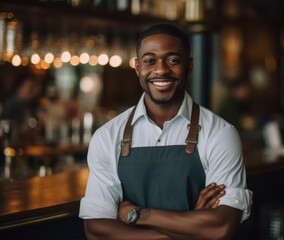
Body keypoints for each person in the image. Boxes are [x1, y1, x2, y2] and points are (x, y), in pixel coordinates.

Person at [79, 23, 253, 240]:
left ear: (189, 66)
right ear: (137, 68)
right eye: (150, 61)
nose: (161, 70)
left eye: (173, 60)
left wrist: (137, 215)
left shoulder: (220, 134)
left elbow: (221, 227)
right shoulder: (107, 137)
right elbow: (96, 230)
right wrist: (192, 228)